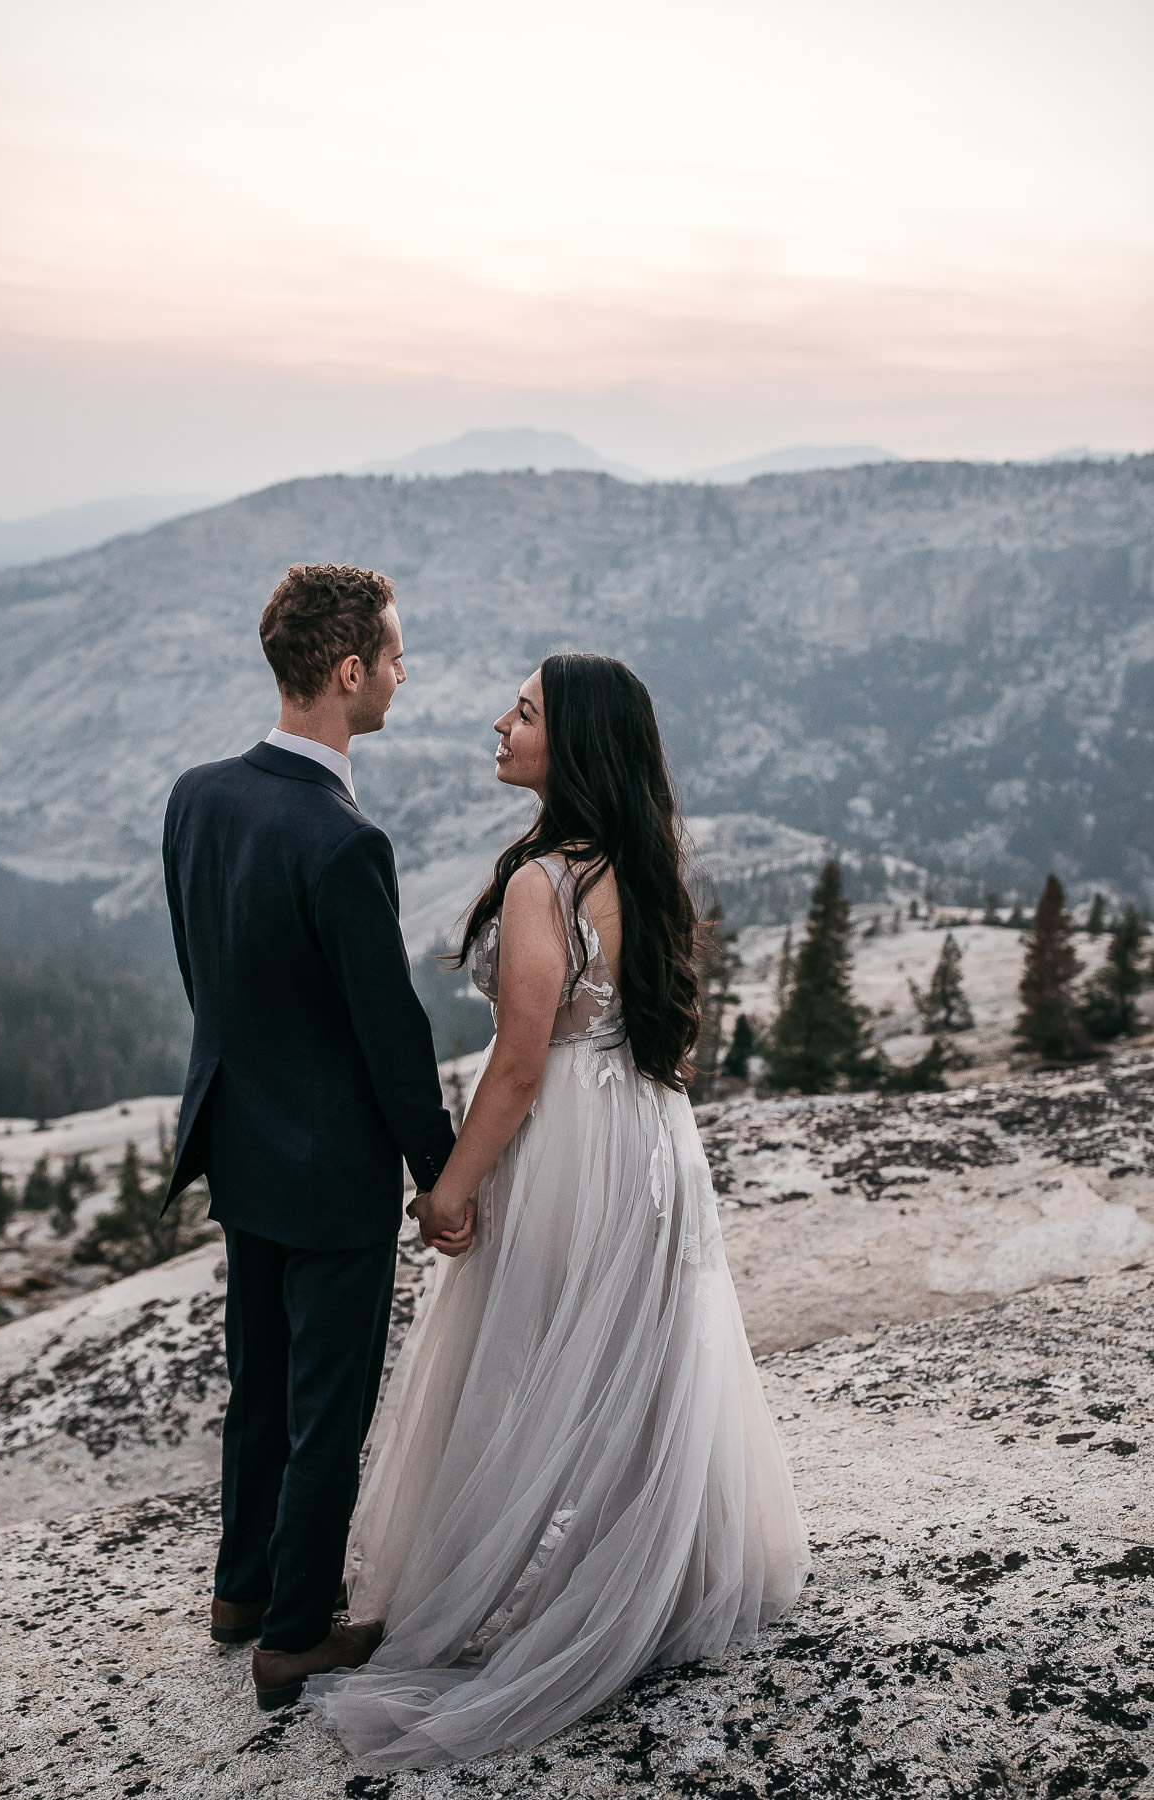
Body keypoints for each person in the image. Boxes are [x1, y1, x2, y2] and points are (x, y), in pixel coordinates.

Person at [308, 652, 810, 1768]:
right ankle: (648, 1578)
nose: (500, 721)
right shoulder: (640, 861)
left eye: (523, 711)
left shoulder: (545, 883)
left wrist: (451, 1187)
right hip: (648, 1133)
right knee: (634, 1361)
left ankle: (497, 1596)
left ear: (570, 742)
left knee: (519, 1363)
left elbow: (522, 1063)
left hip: (572, 1144)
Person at [161, 563, 464, 1711]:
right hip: (332, 1169)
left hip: (240, 1146)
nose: (403, 670)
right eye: (393, 654)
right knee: (326, 1405)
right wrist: (442, 1174)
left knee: (261, 1386)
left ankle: (239, 1590)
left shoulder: (198, 796)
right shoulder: (344, 841)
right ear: (348, 673)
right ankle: (293, 1634)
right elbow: (389, 1036)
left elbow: (211, 985)